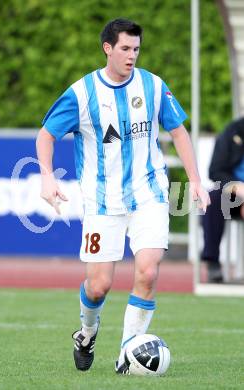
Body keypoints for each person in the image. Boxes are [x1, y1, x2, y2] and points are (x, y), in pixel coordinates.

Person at [36, 18, 209, 373]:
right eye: (126, 49)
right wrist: (47, 177)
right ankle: (86, 333)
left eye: (136, 49)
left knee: (147, 271)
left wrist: (194, 180)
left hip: (149, 194)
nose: (132, 56)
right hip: (102, 202)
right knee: (99, 285)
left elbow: (178, 132)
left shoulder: (153, 86)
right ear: (108, 49)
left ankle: (126, 357)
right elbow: (46, 136)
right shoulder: (83, 94)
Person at [201, 117, 244, 283]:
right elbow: (216, 171)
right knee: (213, 199)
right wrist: (237, 188)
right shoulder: (232, 131)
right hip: (234, 193)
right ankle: (212, 262)